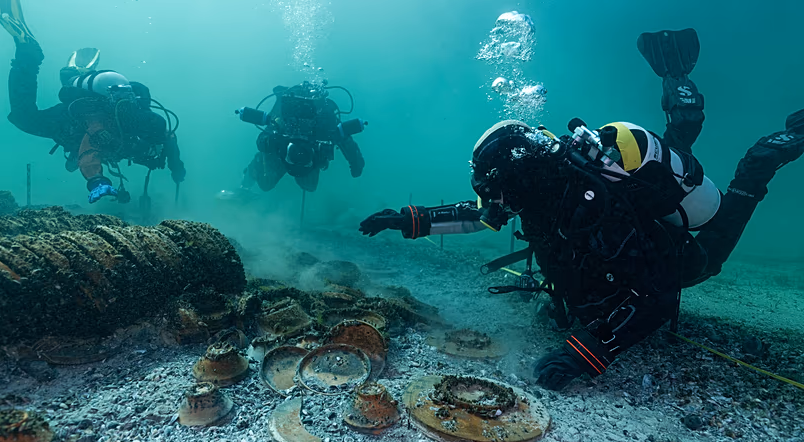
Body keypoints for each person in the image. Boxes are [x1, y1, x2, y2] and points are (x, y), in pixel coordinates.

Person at [358, 29, 804, 390]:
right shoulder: (535, 191)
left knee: (716, 239)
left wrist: (587, 353)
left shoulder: (594, 203)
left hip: (683, 259)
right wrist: (408, 218)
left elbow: (661, 293)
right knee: (671, 156)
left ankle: (765, 155)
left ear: (518, 178)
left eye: (495, 190)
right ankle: (680, 94)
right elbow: (479, 215)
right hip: (621, 239)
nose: (494, 204)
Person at [0, 0, 186, 204]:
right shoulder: (117, 126)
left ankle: (29, 55)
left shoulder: (144, 126)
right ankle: (29, 53)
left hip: (74, 120)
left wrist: (176, 167)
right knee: (24, 117)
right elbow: (90, 152)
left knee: (24, 116)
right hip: (71, 123)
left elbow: (169, 139)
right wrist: (97, 181)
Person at [236, 80, 366, 194]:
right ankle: (252, 173)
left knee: (309, 186)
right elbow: (262, 139)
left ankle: (257, 172)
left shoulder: (325, 120)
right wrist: (271, 142)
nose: (304, 114)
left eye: (310, 109)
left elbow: (344, 138)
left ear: (319, 107)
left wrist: (355, 162)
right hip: (281, 153)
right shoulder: (284, 117)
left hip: (310, 158)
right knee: (266, 184)